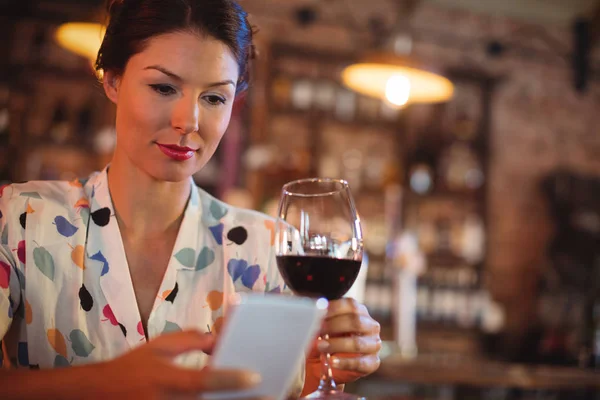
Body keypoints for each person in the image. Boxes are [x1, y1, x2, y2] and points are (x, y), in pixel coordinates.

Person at [0, 0, 382, 398]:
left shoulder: (267, 248)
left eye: (214, 98)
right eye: (164, 87)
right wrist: (104, 383)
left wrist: (316, 371)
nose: (189, 121)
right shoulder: (20, 218)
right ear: (112, 80)